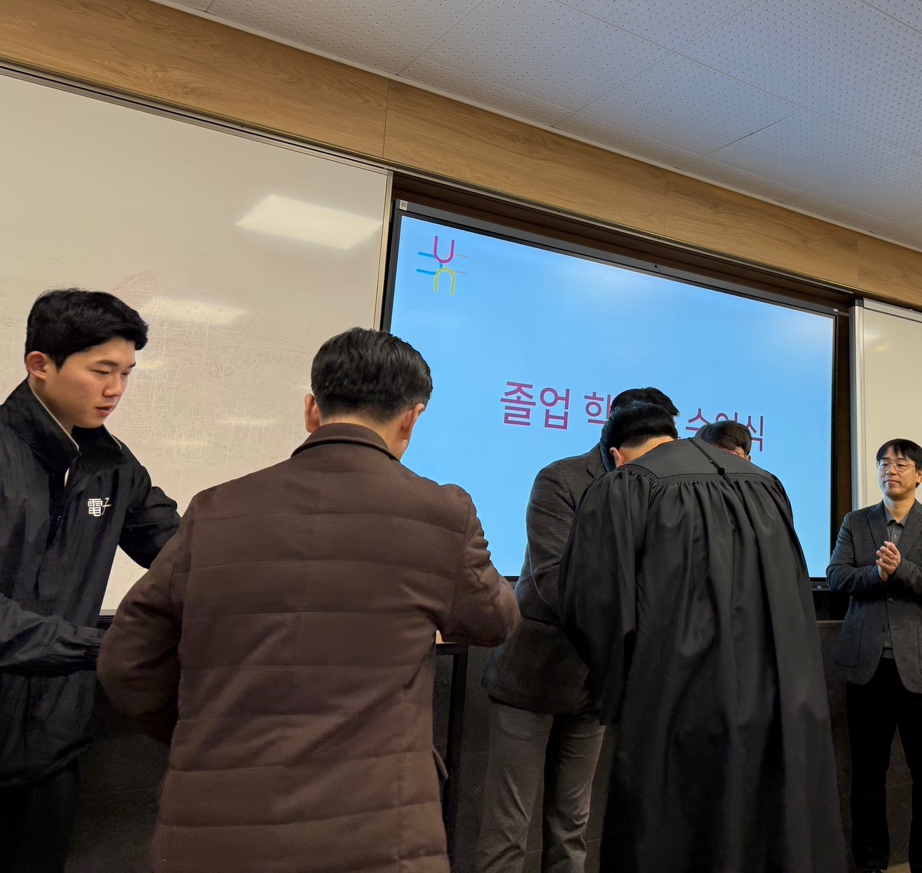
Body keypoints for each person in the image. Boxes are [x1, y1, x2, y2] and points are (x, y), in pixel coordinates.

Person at [97, 328, 520, 873]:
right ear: (412, 419)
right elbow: (495, 620)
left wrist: (207, 731)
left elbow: (126, 660)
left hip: (213, 833)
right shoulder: (441, 513)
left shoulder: (216, 508)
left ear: (311, 410)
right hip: (376, 835)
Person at [558, 399, 844, 873]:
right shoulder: (764, 483)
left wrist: (624, 688)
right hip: (783, 701)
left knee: (683, 837)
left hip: (680, 704)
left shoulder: (625, 484)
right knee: (771, 834)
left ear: (616, 454)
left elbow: (593, 606)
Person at [0, 289, 180, 873]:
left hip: (56, 746)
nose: (116, 390)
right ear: (40, 364)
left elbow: (185, 557)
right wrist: (107, 647)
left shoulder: (114, 466)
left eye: (126, 373)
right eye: (102, 371)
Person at [476, 387, 678, 873]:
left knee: (572, 827)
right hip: (533, 674)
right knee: (508, 830)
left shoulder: (663, 488)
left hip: (595, 685)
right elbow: (555, 579)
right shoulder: (562, 479)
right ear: (619, 439)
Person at [827, 439, 922, 873]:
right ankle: (871, 865)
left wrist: (901, 570)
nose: (891, 470)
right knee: (868, 777)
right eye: (884, 463)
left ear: (919, 475)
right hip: (867, 669)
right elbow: (836, 576)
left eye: (901, 464)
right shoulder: (856, 521)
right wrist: (876, 574)